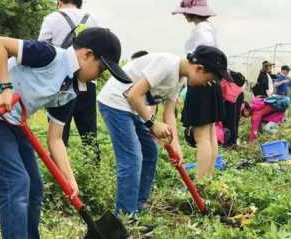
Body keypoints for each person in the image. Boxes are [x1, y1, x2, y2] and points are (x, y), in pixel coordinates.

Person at [0, 27, 128, 239]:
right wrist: (6, 88)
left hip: (14, 121)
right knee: (16, 185)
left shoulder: (70, 91)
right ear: (86, 55)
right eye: (101, 69)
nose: (98, 76)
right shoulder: (50, 56)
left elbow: (55, 139)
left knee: (35, 188)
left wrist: (70, 179)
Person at [97, 45, 229, 215]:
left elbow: (169, 115)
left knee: (151, 153)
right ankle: (125, 216)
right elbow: (133, 95)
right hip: (115, 103)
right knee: (132, 158)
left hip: (133, 108)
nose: (208, 84)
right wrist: (153, 124)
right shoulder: (166, 64)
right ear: (199, 69)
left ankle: (138, 207)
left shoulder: (181, 78)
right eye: (210, 79)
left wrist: (176, 147)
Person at [38, 0, 101, 161]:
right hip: (87, 82)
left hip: (60, 82)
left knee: (58, 133)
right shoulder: (93, 19)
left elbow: (42, 51)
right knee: (89, 134)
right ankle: (93, 171)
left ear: (59, 2)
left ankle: (59, 176)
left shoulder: (52, 18)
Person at [173, 0, 223, 179]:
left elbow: (204, 57)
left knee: (201, 136)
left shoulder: (201, 30)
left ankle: (201, 181)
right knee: (209, 134)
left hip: (201, 82)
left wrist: (195, 63)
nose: (184, 15)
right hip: (211, 82)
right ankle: (208, 177)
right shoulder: (208, 27)